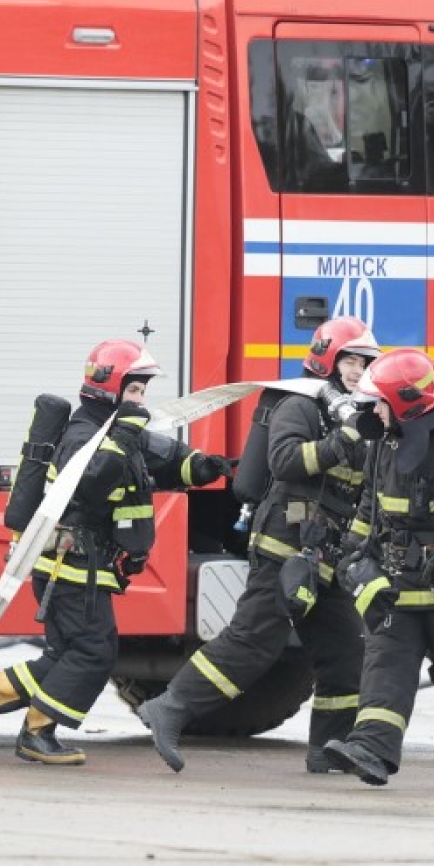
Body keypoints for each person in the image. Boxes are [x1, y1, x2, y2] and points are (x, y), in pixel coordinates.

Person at [0, 339, 232, 766]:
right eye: (133, 390)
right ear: (109, 387)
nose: (140, 401)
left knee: (67, 655)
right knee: (94, 652)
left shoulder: (119, 432)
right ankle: (27, 725)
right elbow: (92, 482)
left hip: (84, 568)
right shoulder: (84, 434)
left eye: (142, 392)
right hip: (69, 569)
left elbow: (166, 458)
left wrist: (206, 466)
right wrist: (124, 434)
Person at [139, 316, 379, 773]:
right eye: (351, 361)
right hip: (283, 547)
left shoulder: (353, 415)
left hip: (325, 555)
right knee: (253, 643)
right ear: (327, 359)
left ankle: (329, 749)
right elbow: (285, 461)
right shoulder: (300, 404)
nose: (358, 371)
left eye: (365, 364)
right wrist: (341, 442)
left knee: (347, 651)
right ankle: (170, 708)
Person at [323, 348, 434, 790]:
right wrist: (351, 556)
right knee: (385, 666)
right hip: (398, 586)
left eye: (380, 402)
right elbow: (370, 511)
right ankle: (371, 751)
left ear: (406, 403)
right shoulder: (384, 446)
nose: (374, 411)